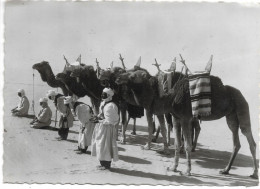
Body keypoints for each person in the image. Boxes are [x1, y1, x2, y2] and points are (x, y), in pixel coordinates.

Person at [91, 88, 119, 170]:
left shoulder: (111, 106)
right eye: (102, 93)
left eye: (104, 94)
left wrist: (98, 120)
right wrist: (97, 117)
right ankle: (102, 163)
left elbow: (111, 121)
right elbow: (102, 113)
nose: (102, 95)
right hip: (101, 127)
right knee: (100, 145)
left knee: (106, 146)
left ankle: (106, 165)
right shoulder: (104, 103)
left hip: (107, 129)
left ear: (109, 96)